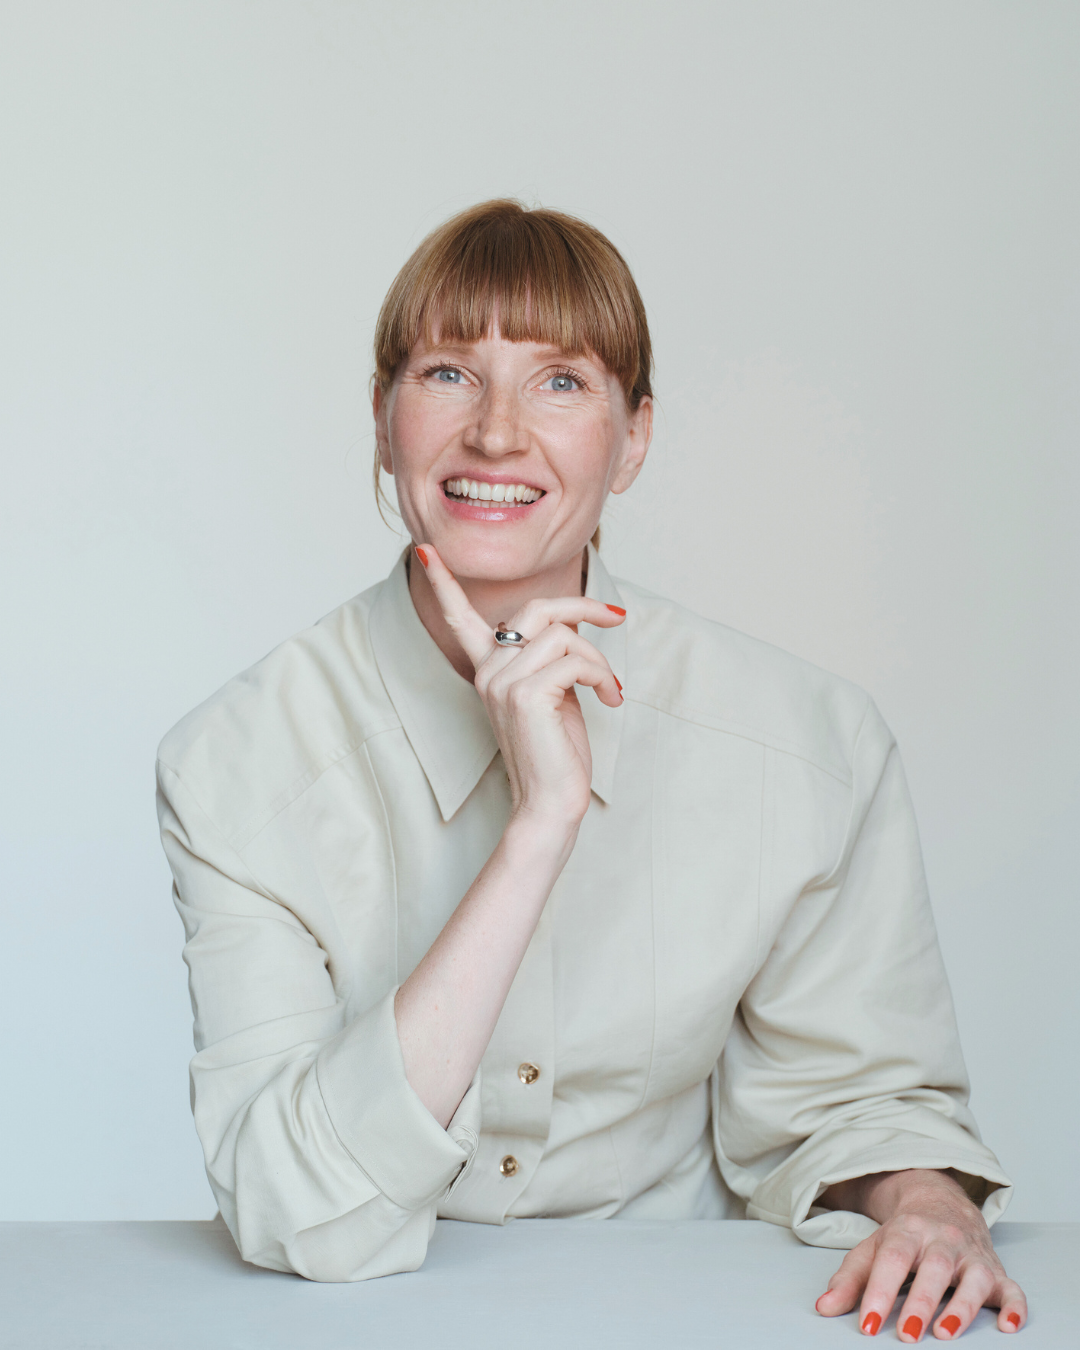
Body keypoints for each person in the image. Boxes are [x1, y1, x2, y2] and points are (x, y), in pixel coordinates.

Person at [157, 200, 1026, 1338]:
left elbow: (855, 1101)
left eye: (561, 382)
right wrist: (540, 827)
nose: (498, 435)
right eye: (447, 374)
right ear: (382, 419)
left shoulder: (807, 740)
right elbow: (297, 1208)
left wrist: (926, 1207)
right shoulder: (234, 761)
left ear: (637, 435)